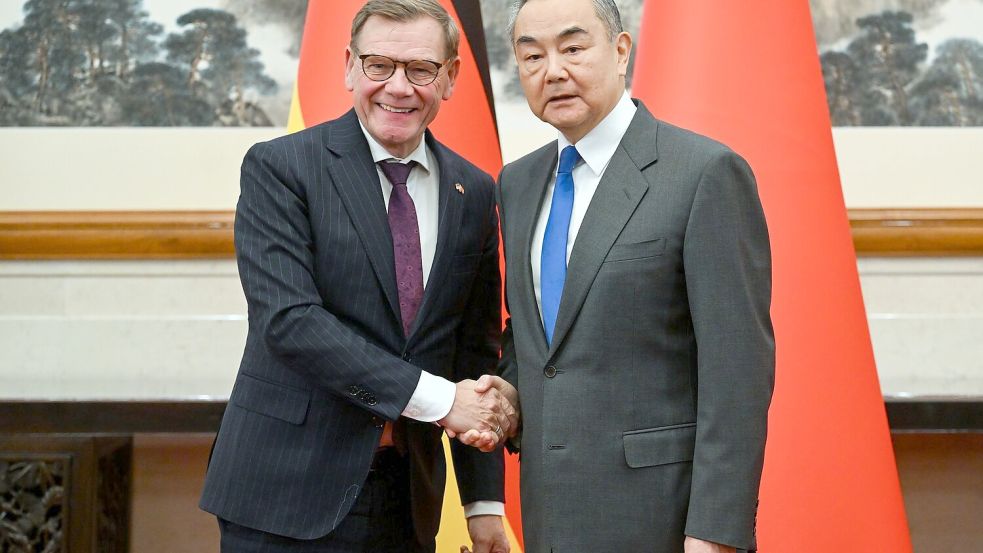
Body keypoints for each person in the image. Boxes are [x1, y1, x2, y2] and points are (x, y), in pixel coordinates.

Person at [199, 1, 514, 552]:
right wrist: (440, 401)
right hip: (285, 493)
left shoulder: (475, 190)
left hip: (406, 498)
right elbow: (291, 322)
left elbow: (473, 353)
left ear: (450, 77)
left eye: (420, 69)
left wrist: (482, 504)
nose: (399, 87)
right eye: (378, 66)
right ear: (348, 66)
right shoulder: (282, 167)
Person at [473, 0, 775, 551]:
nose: (554, 71)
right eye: (532, 55)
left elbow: (738, 372)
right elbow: (539, 334)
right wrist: (511, 395)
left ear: (620, 51)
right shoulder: (516, 184)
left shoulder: (704, 173)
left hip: (660, 519)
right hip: (549, 516)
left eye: (572, 47)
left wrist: (715, 531)